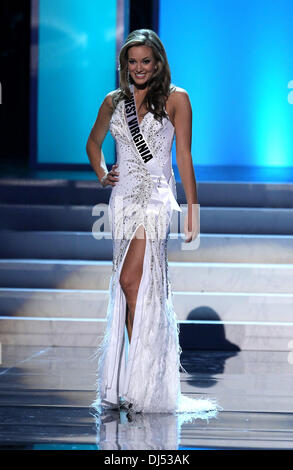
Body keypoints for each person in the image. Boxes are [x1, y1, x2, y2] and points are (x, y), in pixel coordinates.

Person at [86, 29, 221, 416]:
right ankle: (137, 380)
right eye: (133, 61)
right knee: (132, 290)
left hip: (157, 201)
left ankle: (145, 379)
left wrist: (192, 207)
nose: (139, 68)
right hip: (123, 200)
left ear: (158, 62)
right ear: (124, 64)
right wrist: (100, 172)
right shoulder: (114, 101)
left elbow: (183, 156)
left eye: (146, 61)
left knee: (133, 281)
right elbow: (93, 143)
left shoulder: (178, 98)